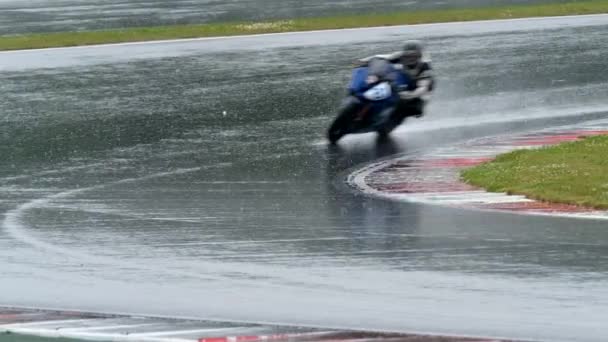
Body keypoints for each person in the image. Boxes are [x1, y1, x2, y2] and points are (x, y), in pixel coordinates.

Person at [357, 40, 435, 118]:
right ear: (403, 54)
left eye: (414, 56)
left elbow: (423, 87)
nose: (410, 59)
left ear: (420, 56)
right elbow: (380, 57)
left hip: (421, 84)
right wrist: (364, 61)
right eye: (407, 56)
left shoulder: (425, 66)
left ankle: (418, 108)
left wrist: (412, 95)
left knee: (419, 105)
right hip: (405, 79)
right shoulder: (398, 56)